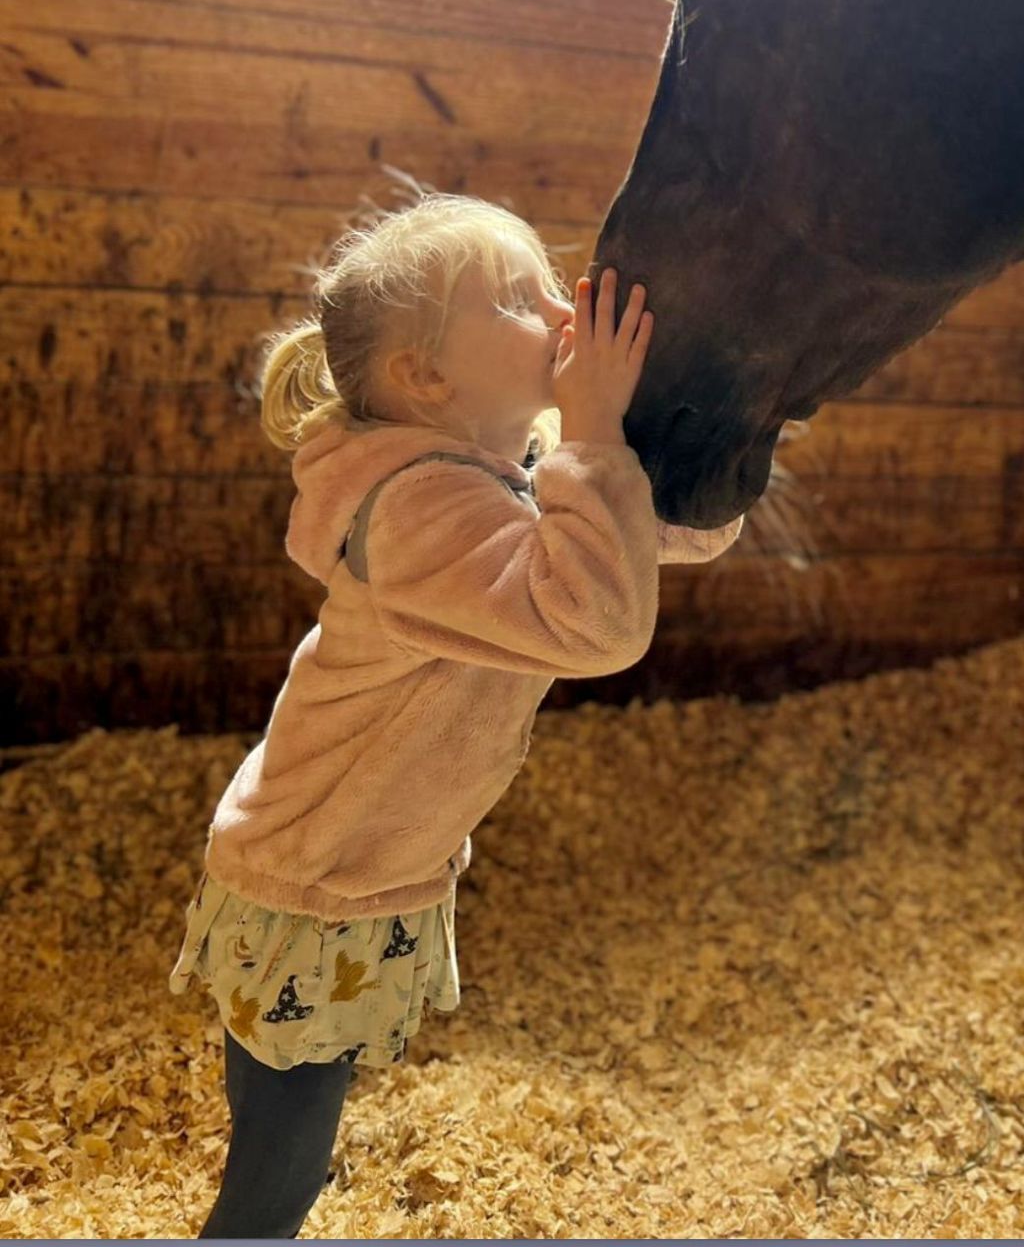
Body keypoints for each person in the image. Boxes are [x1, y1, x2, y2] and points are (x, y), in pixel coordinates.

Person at [169, 191, 744, 1238]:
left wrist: (740, 429)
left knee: (286, 1097)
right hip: (317, 882)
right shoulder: (416, 510)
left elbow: (630, 537)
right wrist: (599, 429)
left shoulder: (496, 469)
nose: (563, 310)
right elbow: (595, 618)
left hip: (344, 862)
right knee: (278, 1170)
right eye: (521, 302)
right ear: (424, 378)